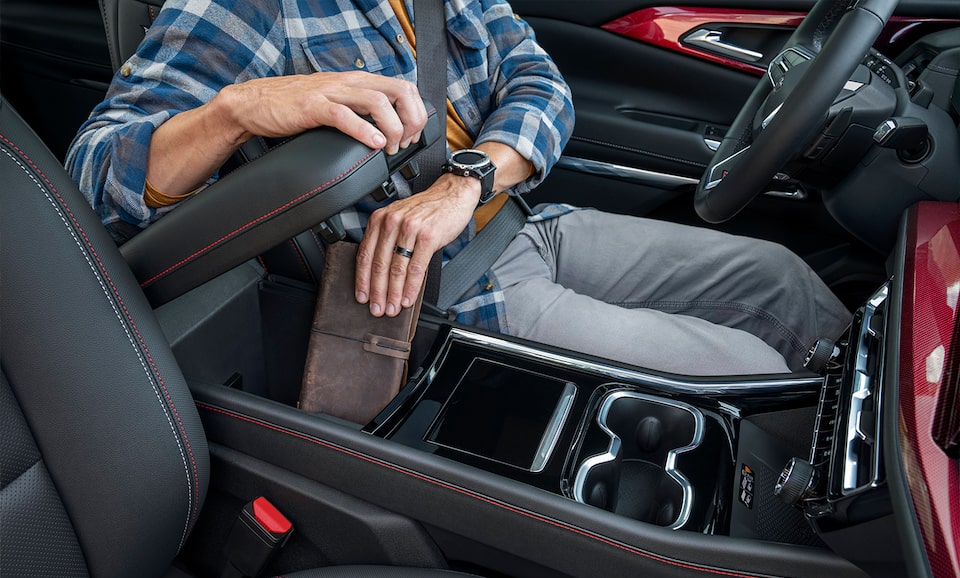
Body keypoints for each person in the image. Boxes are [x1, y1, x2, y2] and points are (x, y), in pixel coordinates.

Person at [66, 0, 851, 376]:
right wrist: (238, 111)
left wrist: (469, 180)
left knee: (783, 281)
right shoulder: (241, 7)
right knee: (749, 373)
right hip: (438, 298)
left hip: (519, 225)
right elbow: (95, 176)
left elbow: (540, 82)